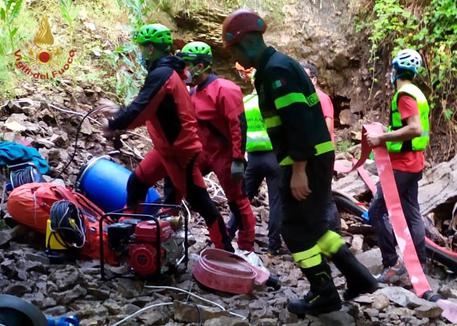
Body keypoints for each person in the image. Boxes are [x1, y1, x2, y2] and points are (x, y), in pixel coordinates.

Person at [222, 9, 377, 316]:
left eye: (236, 50)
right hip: (310, 156)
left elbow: (298, 123)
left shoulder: (275, 72)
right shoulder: (274, 68)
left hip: (307, 158)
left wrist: (298, 171)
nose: (237, 58)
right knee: (314, 224)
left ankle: (324, 293)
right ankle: (359, 278)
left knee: (293, 228)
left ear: (248, 42)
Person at [97, 24, 234, 252]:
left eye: (143, 48)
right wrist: (119, 112)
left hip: (181, 151)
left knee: (200, 201)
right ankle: (127, 230)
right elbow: (149, 105)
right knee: (137, 182)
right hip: (166, 149)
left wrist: (114, 124)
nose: (141, 53)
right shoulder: (165, 71)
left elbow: (143, 108)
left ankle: (225, 250)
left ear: (151, 49)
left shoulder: (163, 74)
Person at [175, 41, 256, 252]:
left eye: (188, 64)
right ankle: (215, 240)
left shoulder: (224, 89)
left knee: (237, 201)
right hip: (202, 151)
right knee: (181, 184)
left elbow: (238, 125)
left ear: (201, 66)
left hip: (224, 153)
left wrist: (238, 159)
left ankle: (246, 247)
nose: (184, 70)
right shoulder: (192, 92)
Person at [366, 49, 429, 284]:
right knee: (412, 212)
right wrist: (388, 132)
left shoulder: (404, 94)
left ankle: (391, 264)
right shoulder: (416, 92)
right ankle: (419, 265)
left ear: (395, 71)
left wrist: (382, 139)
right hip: (414, 162)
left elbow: (414, 129)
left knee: (377, 211)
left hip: (403, 166)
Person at [227, 62, 283, 255]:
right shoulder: (273, 101)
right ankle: (274, 245)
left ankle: (228, 232)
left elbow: (238, 129)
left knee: (242, 197)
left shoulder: (247, 101)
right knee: (276, 201)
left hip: (253, 157)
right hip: (274, 156)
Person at [301, 61, 341, 232]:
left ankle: (333, 232)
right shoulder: (305, 99)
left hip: (321, 154)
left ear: (314, 79)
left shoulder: (321, 98)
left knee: (323, 195)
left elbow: (327, 127)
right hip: (310, 154)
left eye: (305, 77)